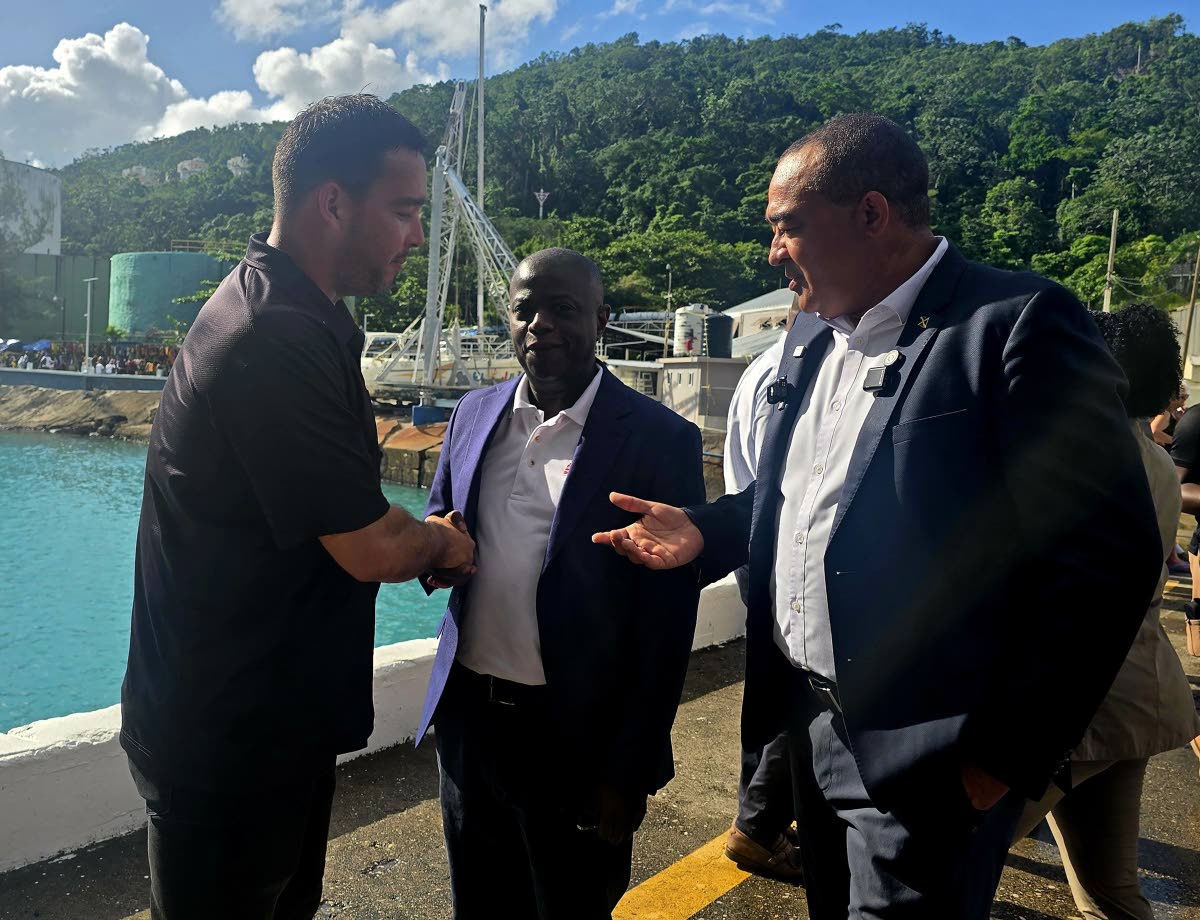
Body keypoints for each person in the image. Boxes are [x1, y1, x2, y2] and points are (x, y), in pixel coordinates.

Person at [592, 114, 1160, 919]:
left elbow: (1107, 560)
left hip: (936, 753)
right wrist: (706, 531)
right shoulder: (813, 339)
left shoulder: (1016, 325)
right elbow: (797, 498)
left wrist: (999, 762)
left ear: (870, 214)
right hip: (812, 728)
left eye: (786, 227)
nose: (771, 253)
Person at [120, 94, 476, 920]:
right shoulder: (272, 335)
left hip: (261, 727)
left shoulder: (291, 313)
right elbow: (368, 545)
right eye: (403, 212)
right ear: (332, 203)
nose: (416, 236)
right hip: (229, 746)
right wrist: (445, 545)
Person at [419, 248, 705, 919]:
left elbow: (665, 627)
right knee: (480, 907)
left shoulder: (658, 440)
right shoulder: (473, 415)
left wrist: (627, 769)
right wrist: (439, 547)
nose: (540, 325)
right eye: (525, 310)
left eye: (564, 310)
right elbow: (440, 515)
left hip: (577, 740)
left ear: (601, 320)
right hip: (470, 726)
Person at [1008, 303, 1200, 919]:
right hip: (1135, 690)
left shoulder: (1087, 456)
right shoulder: (1154, 460)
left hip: (1076, 700)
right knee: (1112, 893)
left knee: (936, 860)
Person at [722, 296, 804, 881]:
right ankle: (758, 823)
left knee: (771, 683)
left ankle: (762, 821)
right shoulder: (794, 376)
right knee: (801, 689)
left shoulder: (759, 370)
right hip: (783, 554)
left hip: (752, 551)